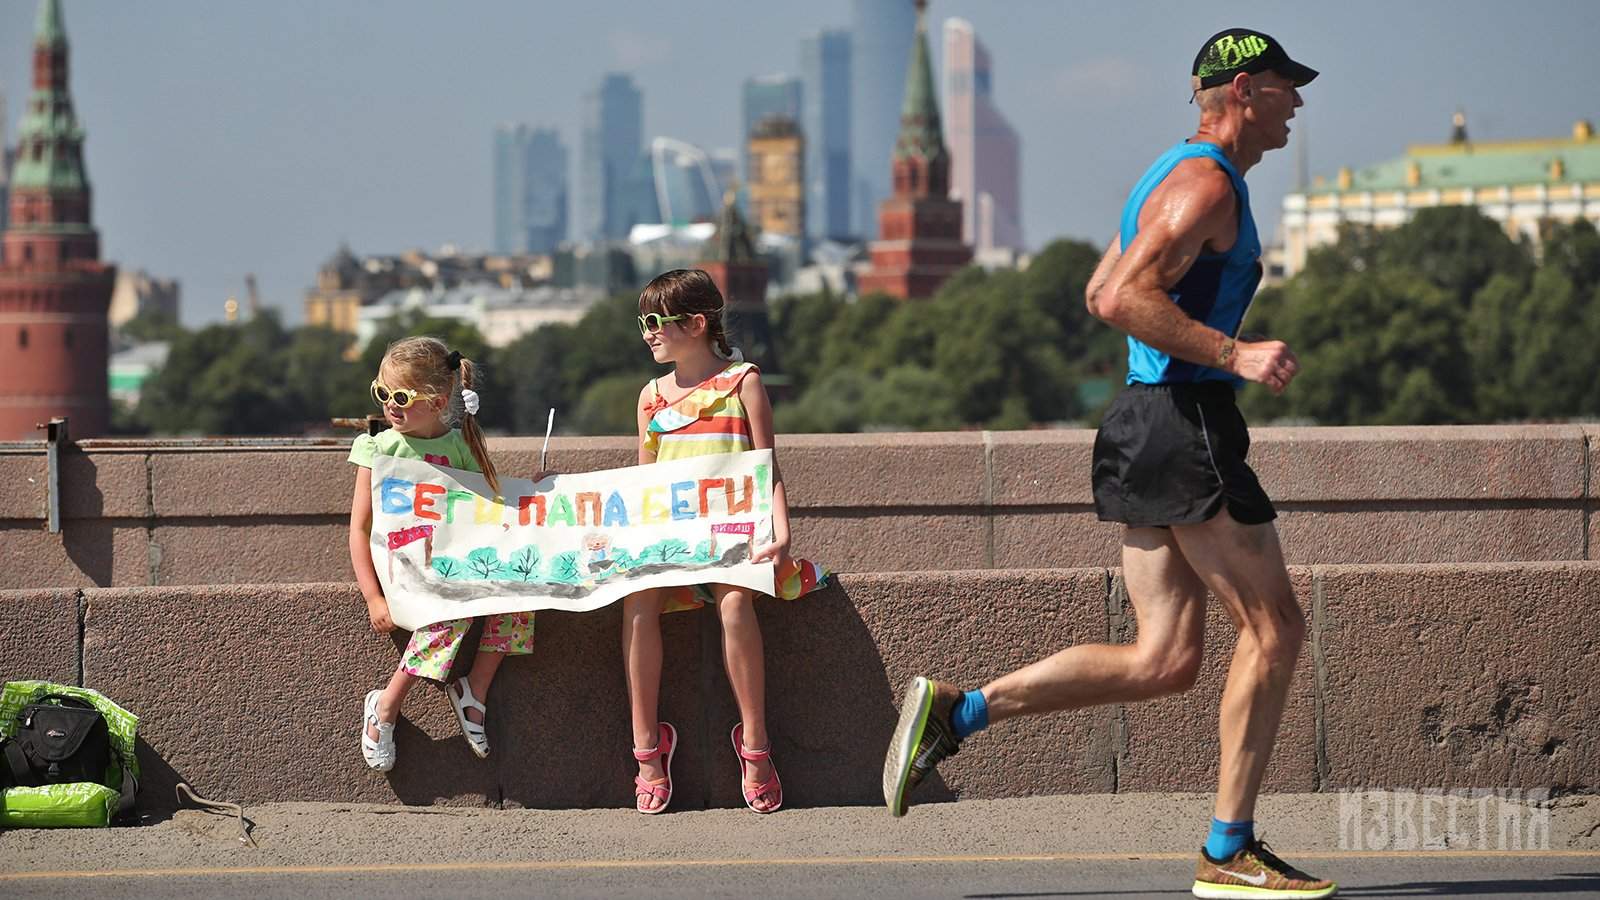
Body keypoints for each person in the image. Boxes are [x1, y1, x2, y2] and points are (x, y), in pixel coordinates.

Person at [882, 29, 1336, 900]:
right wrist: (1232, 354)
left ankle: (958, 710)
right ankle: (1229, 850)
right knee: (1274, 628)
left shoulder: (1167, 174)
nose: (1298, 102)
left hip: (1144, 421)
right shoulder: (1205, 183)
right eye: (1287, 86)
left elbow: (1099, 289)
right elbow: (1124, 299)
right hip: (1184, 422)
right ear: (1242, 89)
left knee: (1165, 658)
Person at [622, 269, 824, 815]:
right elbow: (645, 483)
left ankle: (755, 746)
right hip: (672, 538)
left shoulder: (744, 383)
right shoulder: (650, 397)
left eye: (655, 322)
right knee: (638, 606)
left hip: (735, 539)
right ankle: (647, 749)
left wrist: (782, 532)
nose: (647, 333)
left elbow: (767, 467)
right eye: (642, 323)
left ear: (696, 323)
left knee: (735, 604)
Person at [348, 336, 535, 771]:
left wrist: (534, 487)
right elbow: (359, 529)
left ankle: (475, 689)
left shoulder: (461, 449)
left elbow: (493, 507)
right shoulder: (378, 447)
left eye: (401, 397)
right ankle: (387, 703)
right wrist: (373, 597)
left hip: (450, 563)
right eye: (382, 393)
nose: (389, 406)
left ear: (439, 401)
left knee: (521, 599)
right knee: (453, 610)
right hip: (403, 568)